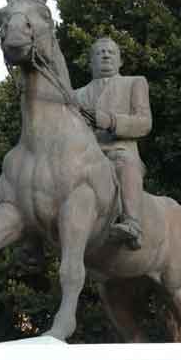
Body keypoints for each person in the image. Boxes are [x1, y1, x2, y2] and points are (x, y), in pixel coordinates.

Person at [74, 37, 151, 250]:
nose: (105, 55)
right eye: (100, 53)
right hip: (84, 157)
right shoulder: (75, 95)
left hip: (118, 151)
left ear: (120, 61)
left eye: (111, 52)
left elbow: (144, 123)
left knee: (124, 162)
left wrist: (111, 121)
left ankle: (132, 223)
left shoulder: (135, 83)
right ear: (91, 62)